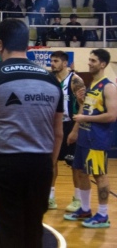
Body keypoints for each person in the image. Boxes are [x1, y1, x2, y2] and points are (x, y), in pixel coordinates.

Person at [0, 18, 63, 247]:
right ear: (27, 44)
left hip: (5, 166)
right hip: (41, 166)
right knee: (33, 229)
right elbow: (58, 133)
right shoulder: (51, 80)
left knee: (6, 231)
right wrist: (49, 163)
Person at [64, 49, 117, 228]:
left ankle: (102, 215)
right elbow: (87, 111)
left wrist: (85, 118)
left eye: (93, 60)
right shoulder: (93, 84)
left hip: (98, 140)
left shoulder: (108, 87)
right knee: (80, 172)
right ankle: (85, 209)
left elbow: (112, 116)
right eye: (89, 59)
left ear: (103, 64)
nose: (89, 63)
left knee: (99, 175)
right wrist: (81, 104)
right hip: (84, 137)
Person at [48, 51, 85, 212]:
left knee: (75, 164)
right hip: (53, 126)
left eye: (56, 61)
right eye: (51, 61)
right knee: (51, 162)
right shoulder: (49, 79)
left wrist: (76, 130)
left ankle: (77, 199)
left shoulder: (75, 80)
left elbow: (84, 105)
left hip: (70, 124)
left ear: (65, 63)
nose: (52, 64)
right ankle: (50, 198)